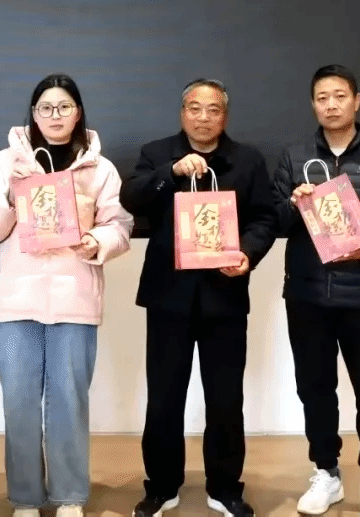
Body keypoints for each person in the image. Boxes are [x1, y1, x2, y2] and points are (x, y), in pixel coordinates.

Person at [0, 74, 133, 517]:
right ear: (33, 114)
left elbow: (120, 224)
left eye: (64, 107)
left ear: (78, 113)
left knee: (69, 401)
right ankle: (25, 497)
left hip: (74, 298)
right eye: (46, 107)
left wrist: (98, 240)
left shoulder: (100, 168)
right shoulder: (6, 161)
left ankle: (70, 496)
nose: (54, 115)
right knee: (19, 401)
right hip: (15, 301)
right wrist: (11, 194)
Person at [120, 78, 275, 517]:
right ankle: (161, 486)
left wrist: (248, 253)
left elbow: (265, 218)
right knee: (164, 397)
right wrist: (170, 172)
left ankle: (225, 487)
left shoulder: (247, 160)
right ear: (182, 112)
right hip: (168, 296)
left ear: (224, 116)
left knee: (225, 398)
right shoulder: (156, 153)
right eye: (194, 108)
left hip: (225, 295)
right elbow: (131, 198)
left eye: (213, 110)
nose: (203, 117)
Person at [271, 64, 360, 517]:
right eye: (322, 98)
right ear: (313, 104)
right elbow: (273, 220)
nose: (331, 105)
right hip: (307, 295)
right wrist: (293, 203)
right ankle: (326, 472)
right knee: (314, 388)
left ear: (356, 101)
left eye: (339, 96)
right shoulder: (294, 157)